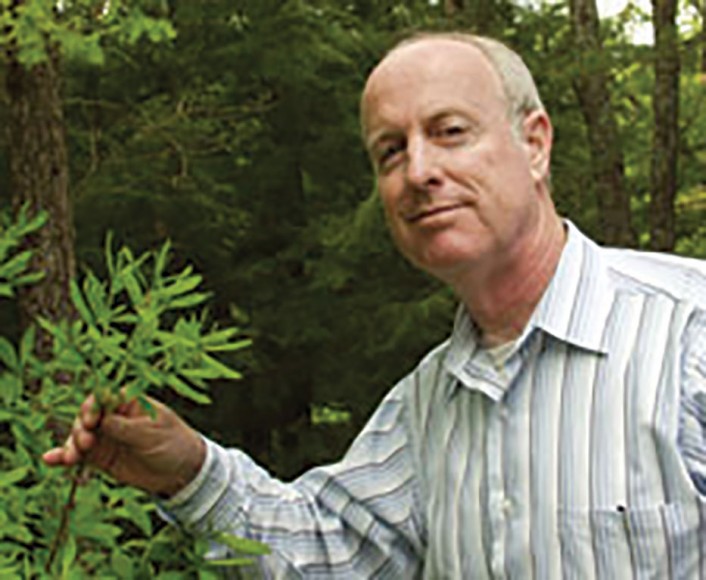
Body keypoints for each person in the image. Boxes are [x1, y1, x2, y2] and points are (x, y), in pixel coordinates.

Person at [44, 32, 706, 578]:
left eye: (450, 132)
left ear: (534, 144)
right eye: (390, 151)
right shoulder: (428, 404)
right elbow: (330, 552)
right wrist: (191, 473)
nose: (418, 171)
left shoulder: (687, 334)